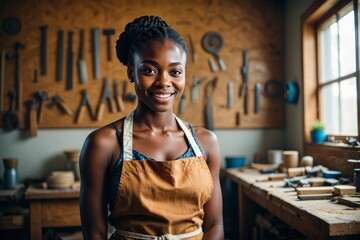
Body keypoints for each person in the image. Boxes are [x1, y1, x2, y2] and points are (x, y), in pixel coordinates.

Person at [79, 15, 224, 240]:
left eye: (175, 72)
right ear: (131, 72)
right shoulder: (103, 144)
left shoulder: (206, 142)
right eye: (149, 70)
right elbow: (95, 233)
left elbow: (214, 224)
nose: (164, 82)